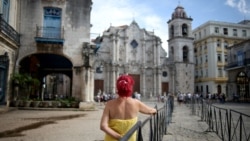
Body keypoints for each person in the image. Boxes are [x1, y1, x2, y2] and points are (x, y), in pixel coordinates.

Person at [100, 74, 157, 141]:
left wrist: (120, 137)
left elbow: (103, 126)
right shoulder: (136, 103)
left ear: (117, 87)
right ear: (130, 87)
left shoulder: (109, 104)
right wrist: (155, 110)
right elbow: (151, 111)